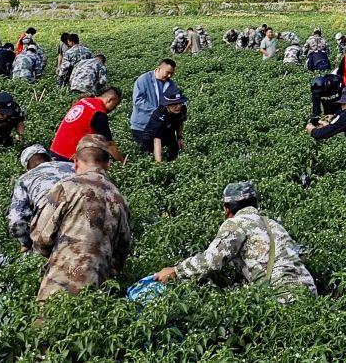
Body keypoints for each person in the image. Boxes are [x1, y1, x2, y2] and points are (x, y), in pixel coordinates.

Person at [153, 181, 317, 303]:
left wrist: (176, 271)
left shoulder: (237, 223)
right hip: (309, 292)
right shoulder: (273, 223)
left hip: (282, 296)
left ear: (226, 209)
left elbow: (212, 260)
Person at [30, 135, 131, 302]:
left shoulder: (66, 188)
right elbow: (122, 249)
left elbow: (40, 237)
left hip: (58, 285)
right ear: (108, 164)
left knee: (46, 324)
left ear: (75, 161)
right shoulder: (119, 199)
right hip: (98, 290)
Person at [7, 145, 75, 252]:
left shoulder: (25, 178)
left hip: (53, 223)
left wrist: (25, 242)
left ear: (28, 168)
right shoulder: (73, 166)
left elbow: (16, 218)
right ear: (49, 158)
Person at [49, 88, 125, 163]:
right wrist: (122, 162)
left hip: (55, 149)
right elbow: (109, 144)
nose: (113, 109)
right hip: (68, 157)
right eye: (115, 105)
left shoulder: (83, 101)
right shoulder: (99, 113)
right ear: (110, 100)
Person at [130, 59, 179, 145]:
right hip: (142, 126)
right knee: (145, 153)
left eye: (172, 73)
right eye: (167, 72)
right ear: (159, 68)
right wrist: (156, 112)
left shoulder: (171, 84)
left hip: (161, 126)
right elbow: (138, 100)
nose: (169, 76)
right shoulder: (143, 80)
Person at [141, 92, 187, 162]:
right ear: (167, 105)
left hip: (169, 135)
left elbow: (181, 121)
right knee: (151, 159)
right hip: (151, 140)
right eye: (174, 104)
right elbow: (157, 140)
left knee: (173, 155)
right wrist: (159, 165)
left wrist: (179, 137)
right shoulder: (159, 117)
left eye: (180, 103)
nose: (178, 106)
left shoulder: (182, 109)